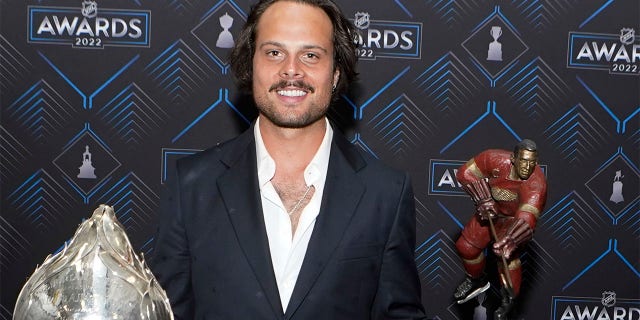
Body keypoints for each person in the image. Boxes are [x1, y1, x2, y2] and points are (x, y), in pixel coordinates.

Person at [150, 0, 427, 319]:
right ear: (250, 64)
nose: (291, 70)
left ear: (335, 73)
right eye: (274, 53)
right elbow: (166, 312)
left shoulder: (385, 193)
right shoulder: (192, 185)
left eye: (310, 55)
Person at [453, 139, 547, 319]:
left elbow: (527, 218)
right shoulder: (493, 158)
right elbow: (464, 173)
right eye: (523, 161)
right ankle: (476, 279)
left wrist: (512, 239)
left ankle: (508, 299)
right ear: (513, 158)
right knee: (466, 247)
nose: (527, 167)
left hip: (513, 220)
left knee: (507, 256)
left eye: (532, 162)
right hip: (491, 213)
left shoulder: (537, 183)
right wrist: (482, 198)